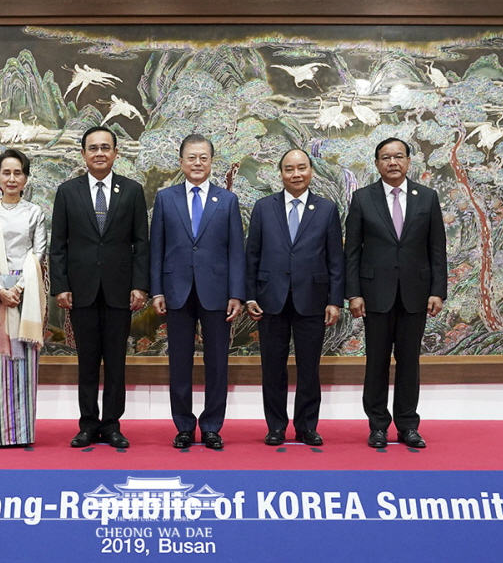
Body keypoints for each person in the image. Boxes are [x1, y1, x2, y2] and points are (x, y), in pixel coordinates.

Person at [50, 126, 149, 449]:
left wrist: (140, 286)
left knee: (116, 362)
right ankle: (88, 425)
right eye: (93, 148)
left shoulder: (132, 191)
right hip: (82, 290)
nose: (100, 153)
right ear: (83, 154)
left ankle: (112, 425)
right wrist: (61, 286)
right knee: (88, 360)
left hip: (120, 290)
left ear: (116, 153)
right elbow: (58, 245)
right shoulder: (68, 191)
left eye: (106, 147)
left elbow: (140, 244)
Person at [345, 137, 447, 449]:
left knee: (409, 361)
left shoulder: (426, 198)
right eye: (386, 157)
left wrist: (438, 291)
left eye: (399, 156)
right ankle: (377, 426)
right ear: (377, 164)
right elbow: (352, 251)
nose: (393, 162)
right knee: (376, 361)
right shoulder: (363, 198)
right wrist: (354, 294)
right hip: (375, 294)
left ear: (408, 161)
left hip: (416, 294)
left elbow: (436, 249)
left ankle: (407, 425)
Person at [150, 134, 244, 450]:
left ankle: (213, 426)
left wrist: (236, 293)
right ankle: (184, 426)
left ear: (211, 162)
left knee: (218, 362)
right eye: (191, 157)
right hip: (176, 290)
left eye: (203, 157)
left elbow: (236, 251)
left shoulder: (227, 200)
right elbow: (157, 248)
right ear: (181, 162)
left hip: (217, 291)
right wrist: (157, 290)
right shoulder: (166, 198)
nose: (197, 163)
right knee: (179, 362)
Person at [245, 149, 345, 447]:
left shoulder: (326, 209)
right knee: (272, 367)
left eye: (301, 168)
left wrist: (334, 300)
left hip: (312, 299)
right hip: (269, 299)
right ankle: (276, 425)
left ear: (310, 171)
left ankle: (306, 426)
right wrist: (249, 295)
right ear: (281, 173)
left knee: (309, 367)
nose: (296, 174)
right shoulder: (264, 207)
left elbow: (335, 260)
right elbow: (252, 256)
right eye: (289, 169)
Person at [0, 149, 47, 447]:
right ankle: (0, 433)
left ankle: (23, 433)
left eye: (18, 173)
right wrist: (0, 288)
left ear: (26, 178)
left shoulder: (34, 212)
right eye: (6, 173)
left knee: (25, 360)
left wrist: (17, 288)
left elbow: (39, 251)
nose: (12, 178)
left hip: (27, 291)